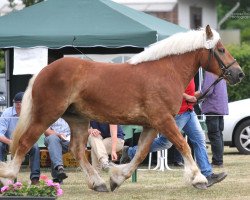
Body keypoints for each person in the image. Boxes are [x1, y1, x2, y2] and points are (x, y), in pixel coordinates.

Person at [120, 79, 227, 187]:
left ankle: (207, 174)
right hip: (178, 113)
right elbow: (168, 87)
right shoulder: (176, 67)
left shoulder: (190, 69)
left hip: (189, 111)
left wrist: (198, 94)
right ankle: (130, 152)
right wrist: (187, 97)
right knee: (165, 142)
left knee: (199, 140)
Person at [0, 92, 40, 185]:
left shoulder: (31, 114)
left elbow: (34, 134)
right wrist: (11, 142)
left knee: (35, 147)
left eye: (20, 103)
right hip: (8, 142)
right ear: (14, 103)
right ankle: (1, 176)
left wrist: (25, 142)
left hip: (25, 142)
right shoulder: (7, 113)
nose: (18, 105)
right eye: (16, 103)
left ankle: (35, 178)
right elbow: (0, 134)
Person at [198, 71, 228, 167]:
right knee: (218, 134)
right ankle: (219, 160)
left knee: (214, 135)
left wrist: (196, 97)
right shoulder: (221, 73)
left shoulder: (211, 72)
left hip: (212, 108)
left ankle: (217, 162)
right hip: (220, 108)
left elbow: (207, 90)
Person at [44, 117, 71, 183]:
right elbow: (46, 131)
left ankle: (57, 177)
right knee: (53, 139)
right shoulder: (49, 113)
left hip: (70, 140)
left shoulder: (71, 114)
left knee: (55, 149)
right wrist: (58, 135)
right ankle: (59, 167)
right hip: (53, 138)